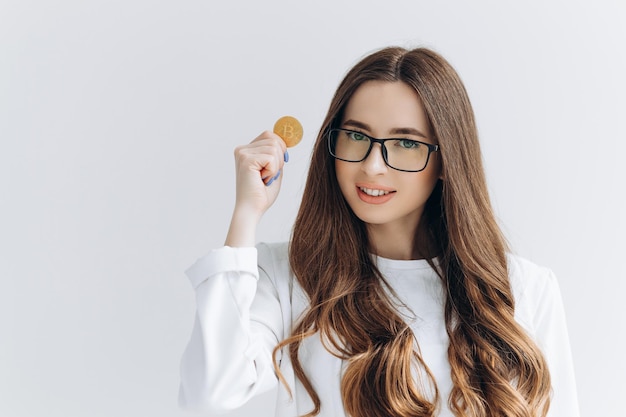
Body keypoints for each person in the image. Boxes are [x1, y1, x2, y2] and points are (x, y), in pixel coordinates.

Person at [178, 46, 580, 417]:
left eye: (405, 142)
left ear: (446, 161)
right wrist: (246, 213)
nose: (372, 165)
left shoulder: (524, 288)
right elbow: (210, 393)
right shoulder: (288, 275)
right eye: (356, 136)